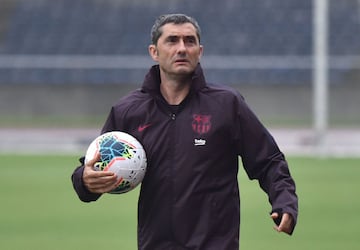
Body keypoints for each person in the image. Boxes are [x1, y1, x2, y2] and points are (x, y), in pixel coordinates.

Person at [71, 13, 298, 250]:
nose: (182, 48)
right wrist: (85, 181)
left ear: (199, 51)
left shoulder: (227, 105)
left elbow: (268, 160)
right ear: (154, 52)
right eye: (172, 40)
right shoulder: (129, 110)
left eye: (189, 41)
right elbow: (92, 167)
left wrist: (284, 201)